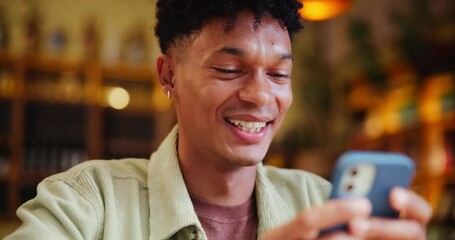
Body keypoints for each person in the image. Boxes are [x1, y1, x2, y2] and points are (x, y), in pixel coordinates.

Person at [6, 0, 432, 239]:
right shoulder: (84, 204)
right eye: (230, 70)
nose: (261, 94)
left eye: (279, 74)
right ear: (168, 75)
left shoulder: (326, 206)